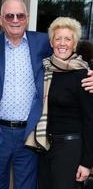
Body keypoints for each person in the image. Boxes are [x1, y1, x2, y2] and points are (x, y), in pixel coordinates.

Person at [0, 0, 93, 189]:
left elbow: (67, 57)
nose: (15, 20)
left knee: (27, 186)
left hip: (30, 134)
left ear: (27, 18)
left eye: (20, 15)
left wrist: (90, 73)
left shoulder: (42, 42)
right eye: (9, 15)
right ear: (1, 19)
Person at [37, 17, 93, 189]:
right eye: (58, 38)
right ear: (52, 42)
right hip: (45, 147)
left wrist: (87, 163)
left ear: (74, 44)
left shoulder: (83, 75)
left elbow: (90, 120)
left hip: (70, 149)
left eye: (67, 39)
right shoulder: (45, 70)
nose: (62, 43)